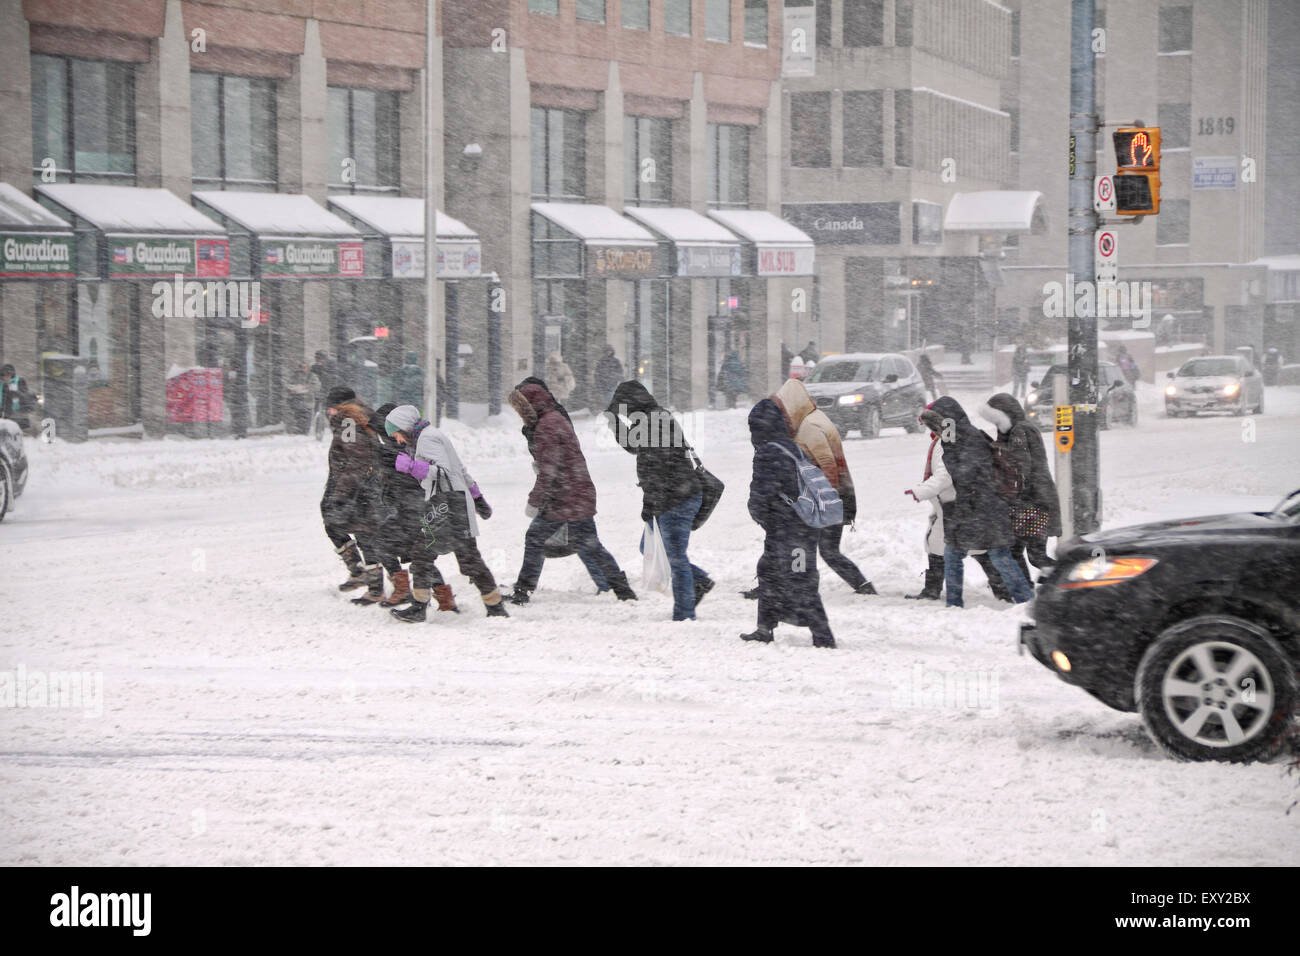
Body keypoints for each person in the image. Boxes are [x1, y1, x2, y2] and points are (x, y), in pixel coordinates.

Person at [507, 380, 636, 605]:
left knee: (535, 538)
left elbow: (549, 470)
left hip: (564, 497)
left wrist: (534, 501)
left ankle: (522, 593)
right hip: (576, 493)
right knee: (591, 545)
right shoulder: (553, 419)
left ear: (529, 405)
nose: (519, 414)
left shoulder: (547, 425)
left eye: (520, 408)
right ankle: (623, 590)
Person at [383, 404, 508, 621]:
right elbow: (460, 469)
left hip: (448, 505)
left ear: (404, 427)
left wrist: (411, 466)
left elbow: (445, 473)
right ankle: (493, 605)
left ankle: (421, 607)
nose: (398, 441)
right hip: (452, 503)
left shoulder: (427, 439)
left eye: (396, 435)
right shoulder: (429, 436)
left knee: (433, 555)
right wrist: (477, 497)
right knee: (458, 559)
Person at [606, 381, 713, 621]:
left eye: (624, 410)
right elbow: (634, 446)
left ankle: (685, 614)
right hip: (669, 496)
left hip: (677, 498)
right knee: (650, 547)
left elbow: (657, 468)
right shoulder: (651, 417)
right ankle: (699, 580)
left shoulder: (654, 421)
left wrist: (651, 503)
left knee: (675, 556)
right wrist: (615, 422)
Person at [741, 398, 835, 648]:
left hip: (791, 528)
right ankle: (764, 628)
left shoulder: (769, 452)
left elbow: (762, 492)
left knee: (800, 577)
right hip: (798, 526)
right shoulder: (793, 447)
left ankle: (823, 635)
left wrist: (762, 515)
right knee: (768, 571)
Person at [923, 396, 1034, 607]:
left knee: (990, 554)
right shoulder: (962, 437)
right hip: (978, 506)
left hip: (981, 507)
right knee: (964, 553)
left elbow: (970, 476)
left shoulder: (967, 439)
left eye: (939, 424)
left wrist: (963, 504)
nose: (937, 430)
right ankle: (1023, 600)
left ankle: (1024, 600)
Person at [773, 377, 876, 595]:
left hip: (830, 496)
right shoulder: (811, 420)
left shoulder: (810, 426)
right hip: (835, 494)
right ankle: (862, 586)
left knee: (814, 546)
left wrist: (823, 500)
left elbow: (828, 464)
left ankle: (790, 588)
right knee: (822, 548)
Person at [904, 405, 1013, 602]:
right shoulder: (956, 438)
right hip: (957, 502)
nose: (931, 430)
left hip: (953, 503)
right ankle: (1002, 589)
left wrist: (921, 490)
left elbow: (945, 475)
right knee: (972, 547)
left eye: (933, 426)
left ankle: (938, 591)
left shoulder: (946, 443)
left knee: (946, 545)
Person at [978, 393, 1061, 586]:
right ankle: (1025, 587)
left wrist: (992, 449)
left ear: (1005, 416)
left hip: (1033, 502)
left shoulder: (1020, 431)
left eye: (996, 420)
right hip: (1032, 501)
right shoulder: (1019, 429)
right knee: (1019, 550)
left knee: (1033, 555)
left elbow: (1019, 467)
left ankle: (1068, 579)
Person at [320, 387, 393, 598]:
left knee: (361, 530)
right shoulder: (356, 416)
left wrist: (342, 491)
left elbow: (357, 458)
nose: (329, 413)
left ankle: (372, 585)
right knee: (350, 526)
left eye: (332, 409)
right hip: (358, 482)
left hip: (355, 484)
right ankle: (361, 574)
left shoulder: (349, 420)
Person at [0, 364, 38, 432]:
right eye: (4, 374)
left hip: (17, 416)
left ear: (12, 374)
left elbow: (24, 396)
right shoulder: (1, 383)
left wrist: (15, 391)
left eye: (9, 374)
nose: (7, 376)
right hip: (3, 416)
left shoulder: (19, 381)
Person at [593, 345, 624, 410]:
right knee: (607, 401)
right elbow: (597, 374)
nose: (608, 352)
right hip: (604, 385)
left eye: (609, 351)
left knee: (610, 399)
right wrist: (598, 384)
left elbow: (620, 371)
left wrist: (620, 379)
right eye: (607, 351)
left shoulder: (615, 361)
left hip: (612, 384)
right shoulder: (601, 361)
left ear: (612, 351)